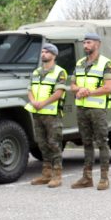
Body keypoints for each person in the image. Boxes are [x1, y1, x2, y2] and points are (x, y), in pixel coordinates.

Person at [70, 32, 111, 191]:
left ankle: (104, 178)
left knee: (102, 142)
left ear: (97, 44)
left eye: (89, 42)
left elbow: (108, 88)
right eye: (84, 43)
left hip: (97, 109)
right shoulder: (80, 63)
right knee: (86, 142)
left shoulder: (106, 63)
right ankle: (87, 177)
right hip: (82, 109)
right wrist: (79, 89)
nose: (85, 45)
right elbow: (72, 85)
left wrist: (88, 92)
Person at [25, 43, 68, 188]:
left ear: (54, 55)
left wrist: (43, 103)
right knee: (42, 143)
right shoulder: (36, 72)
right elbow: (29, 90)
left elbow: (59, 93)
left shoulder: (60, 72)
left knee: (54, 144)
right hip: (37, 113)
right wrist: (33, 102)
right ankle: (46, 174)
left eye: (47, 52)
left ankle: (57, 175)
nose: (43, 54)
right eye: (42, 51)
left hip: (52, 114)